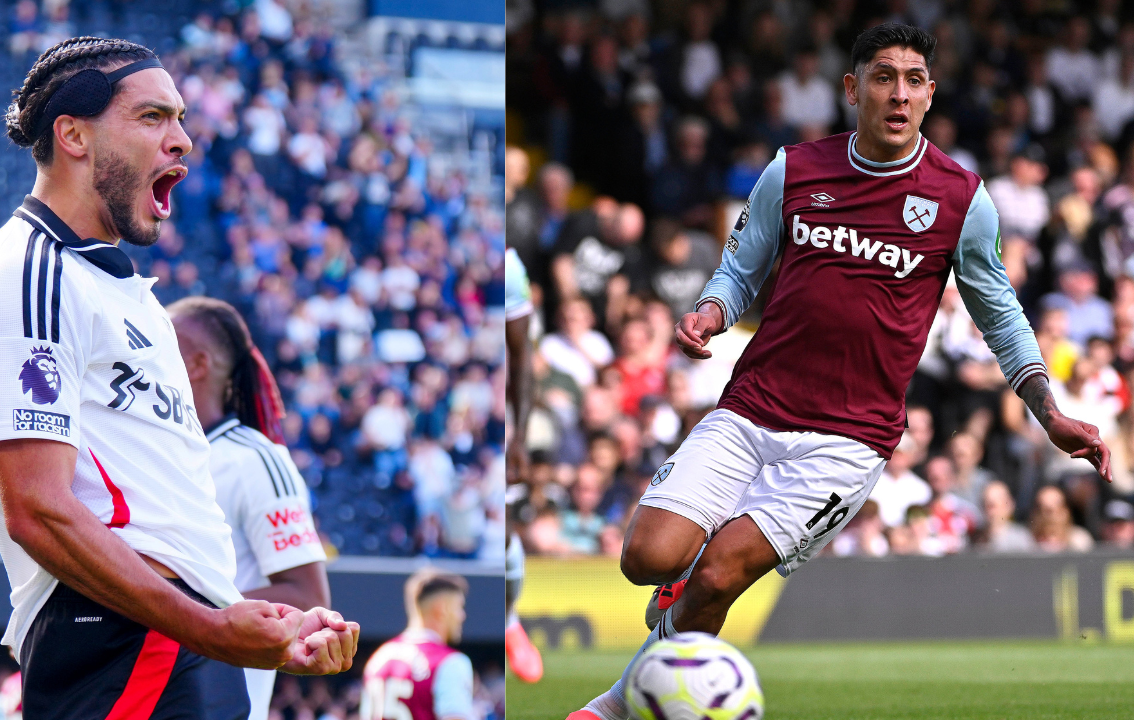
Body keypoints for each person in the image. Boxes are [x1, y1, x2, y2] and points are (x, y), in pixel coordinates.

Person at [569, 24, 1113, 720]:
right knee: (646, 558)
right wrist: (709, 311)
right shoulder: (794, 168)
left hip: (847, 441)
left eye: (915, 79)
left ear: (930, 95)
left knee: (717, 576)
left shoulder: (960, 199)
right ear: (853, 88)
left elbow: (1001, 315)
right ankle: (673, 608)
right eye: (884, 77)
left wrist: (1050, 412)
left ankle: (618, 707)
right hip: (750, 409)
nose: (900, 93)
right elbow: (741, 267)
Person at [0, 37, 356, 720]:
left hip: (178, 638)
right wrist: (205, 627)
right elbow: (38, 509)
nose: (182, 140)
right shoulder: (28, 271)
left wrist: (256, 621)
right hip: (122, 636)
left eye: (182, 119)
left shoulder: (133, 295)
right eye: (153, 117)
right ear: (73, 135)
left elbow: (170, 520)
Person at [169, 296, 332, 720]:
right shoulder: (159, 454)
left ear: (196, 365)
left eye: (161, 341)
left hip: (218, 702)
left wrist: (169, 610)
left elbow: (307, 593)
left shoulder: (255, 460)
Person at [504, 248, 544, 685]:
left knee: (502, 529)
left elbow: (520, 356)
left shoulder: (509, 264)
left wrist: (518, 435)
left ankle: (510, 619)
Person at [360, 569, 475, 720]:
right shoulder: (450, 662)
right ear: (442, 608)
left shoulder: (379, 658)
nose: (462, 616)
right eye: (459, 607)